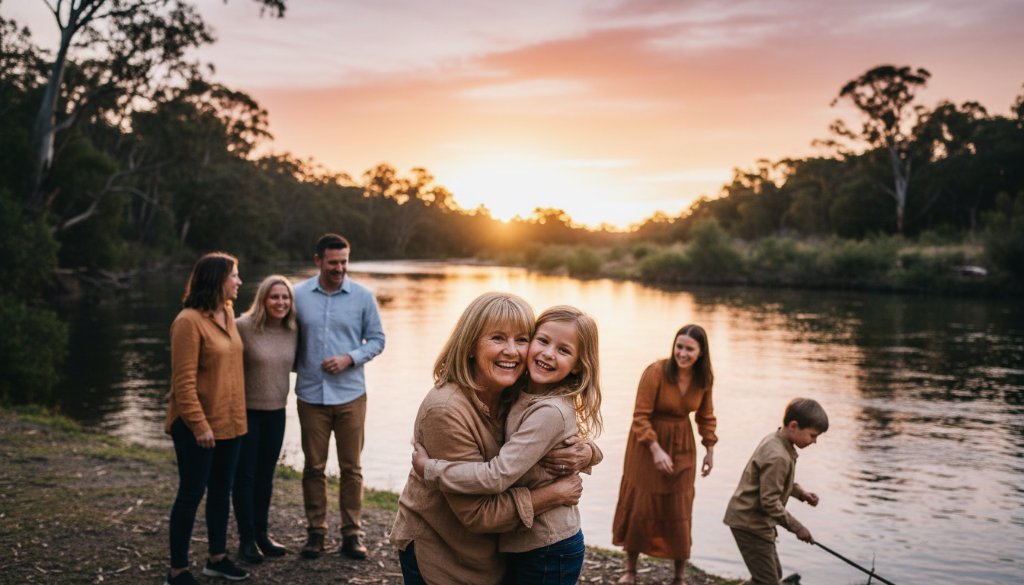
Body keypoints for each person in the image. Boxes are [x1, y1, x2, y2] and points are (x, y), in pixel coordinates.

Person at [389, 292, 596, 585]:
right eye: (498, 338)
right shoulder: (446, 409)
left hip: (502, 552)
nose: (512, 351)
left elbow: (555, 426)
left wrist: (587, 452)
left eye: (522, 339)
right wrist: (553, 494)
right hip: (446, 553)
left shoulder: (517, 389)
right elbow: (478, 515)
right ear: (471, 344)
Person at [293, 234, 385, 560]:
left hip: (350, 396)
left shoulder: (363, 297)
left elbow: (377, 340)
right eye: (333, 263)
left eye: (344, 262)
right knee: (314, 467)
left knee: (352, 468)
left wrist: (350, 358)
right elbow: (281, 334)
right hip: (311, 396)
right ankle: (316, 532)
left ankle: (352, 534)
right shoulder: (298, 295)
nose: (340, 268)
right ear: (318, 261)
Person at [164, 252, 249, 585]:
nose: (239, 281)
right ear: (217, 280)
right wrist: (199, 425)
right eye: (234, 276)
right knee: (190, 494)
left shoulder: (227, 313)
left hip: (231, 424)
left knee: (220, 492)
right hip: (197, 427)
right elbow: (182, 382)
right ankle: (177, 570)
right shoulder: (188, 321)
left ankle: (217, 558)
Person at [612, 324, 718, 585]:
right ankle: (631, 570)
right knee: (642, 503)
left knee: (680, 505)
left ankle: (679, 575)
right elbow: (640, 416)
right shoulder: (656, 371)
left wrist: (710, 449)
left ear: (701, 352)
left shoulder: (704, 379)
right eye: (679, 346)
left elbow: (706, 417)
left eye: (689, 349)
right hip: (647, 445)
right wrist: (655, 449)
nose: (682, 353)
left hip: (683, 445)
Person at [723, 398, 828, 585]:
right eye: (813, 435)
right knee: (768, 580)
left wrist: (801, 493)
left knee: (772, 575)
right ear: (794, 426)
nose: (815, 442)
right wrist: (798, 528)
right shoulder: (778, 455)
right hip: (750, 523)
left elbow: (775, 482)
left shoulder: (776, 440)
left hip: (754, 521)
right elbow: (770, 501)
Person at [232, 275, 298, 563]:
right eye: (275, 297)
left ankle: (262, 534)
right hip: (247, 412)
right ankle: (246, 540)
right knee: (245, 477)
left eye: (285, 297)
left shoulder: (292, 329)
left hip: (277, 411)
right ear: (262, 299)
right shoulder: (243, 327)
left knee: (265, 477)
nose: (281, 302)